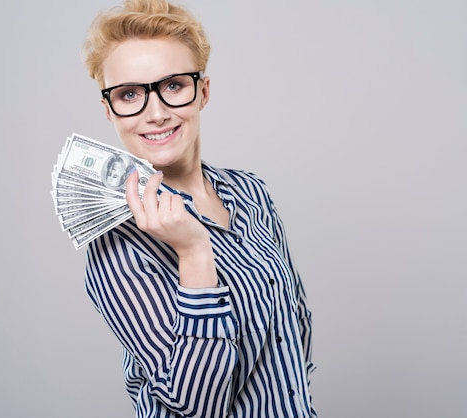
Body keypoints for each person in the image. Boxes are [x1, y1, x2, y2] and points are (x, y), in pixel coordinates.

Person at [81, 1, 317, 416]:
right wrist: (193, 253)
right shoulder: (117, 245)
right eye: (129, 94)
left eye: (173, 85)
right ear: (109, 111)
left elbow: (294, 327)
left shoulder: (250, 192)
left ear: (203, 91)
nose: (155, 113)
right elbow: (197, 405)